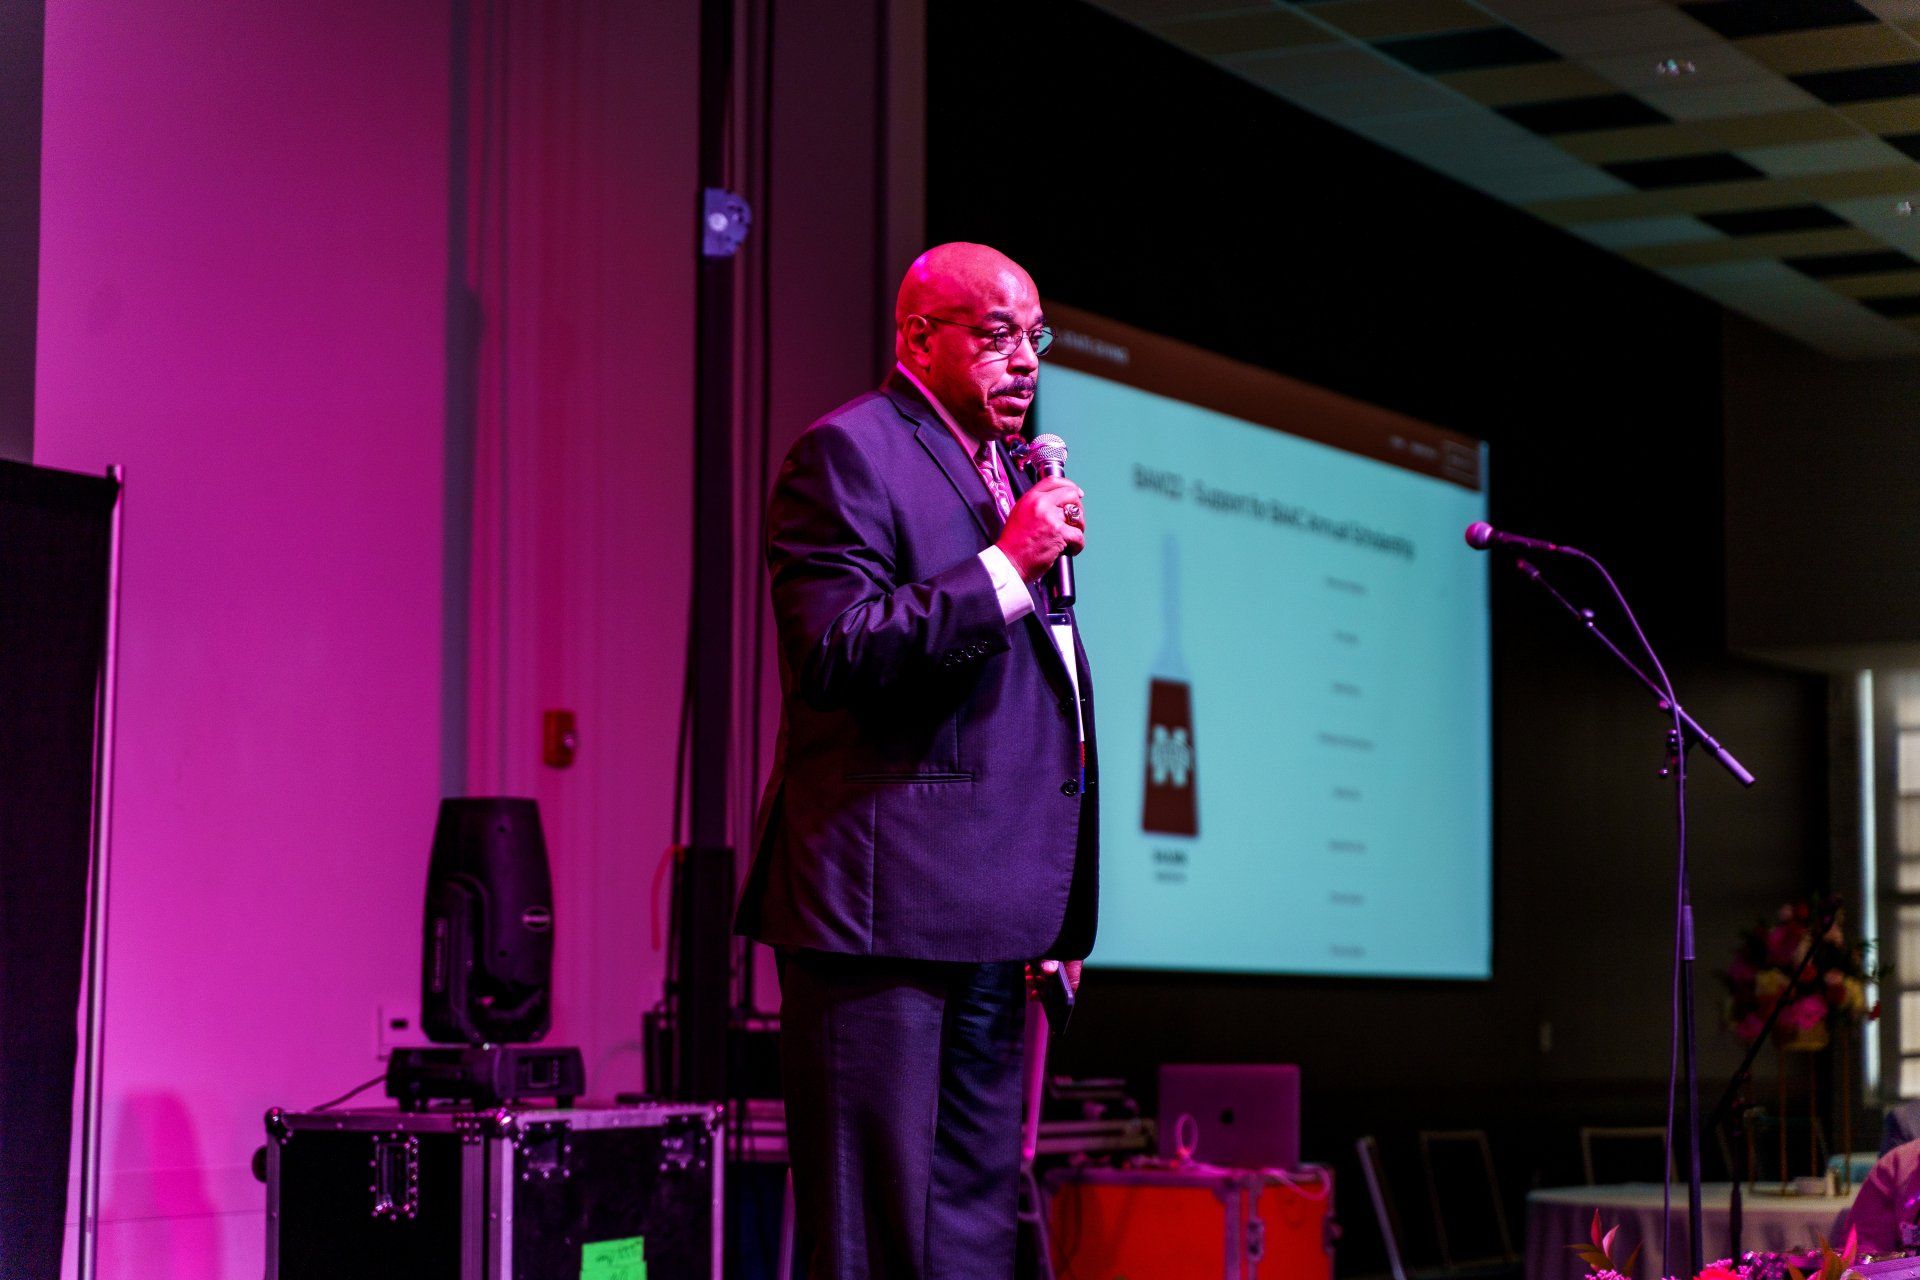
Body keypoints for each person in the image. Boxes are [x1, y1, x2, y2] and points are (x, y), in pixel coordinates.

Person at [735, 242, 1099, 1279]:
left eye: (1035, 337)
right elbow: (836, 653)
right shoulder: (848, 454)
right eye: (998, 335)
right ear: (919, 337)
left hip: (991, 913)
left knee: (967, 1235)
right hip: (878, 914)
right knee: (874, 1236)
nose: (1025, 360)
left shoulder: (1009, 472)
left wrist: (1050, 902)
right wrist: (1008, 561)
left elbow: (1035, 699)